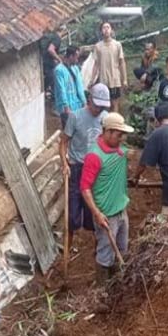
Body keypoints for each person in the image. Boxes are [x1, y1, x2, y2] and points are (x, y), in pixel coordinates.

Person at [80, 112, 134, 282]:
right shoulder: (94, 156)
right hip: (106, 215)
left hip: (121, 210)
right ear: (108, 132)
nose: (121, 139)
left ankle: (117, 284)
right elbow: (85, 188)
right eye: (119, 135)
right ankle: (102, 291)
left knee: (122, 248)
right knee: (105, 253)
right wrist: (97, 214)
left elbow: (128, 153)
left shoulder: (120, 150)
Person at [59, 83, 110, 248]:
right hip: (77, 168)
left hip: (95, 170)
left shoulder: (105, 118)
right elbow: (63, 142)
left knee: (94, 212)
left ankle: (99, 249)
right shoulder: (75, 117)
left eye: (102, 107)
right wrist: (64, 163)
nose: (99, 110)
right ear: (89, 100)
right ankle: (68, 244)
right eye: (96, 106)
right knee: (72, 214)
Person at [91, 22, 127, 113]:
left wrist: (124, 79)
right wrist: (92, 79)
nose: (106, 29)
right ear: (101, 31)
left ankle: (115, 125)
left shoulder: (117, 45)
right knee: (104, 104)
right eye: (104, 28)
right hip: (103, 80)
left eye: (108, 27)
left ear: (111, 30)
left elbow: (122, 62)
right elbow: (96, 64)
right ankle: (105, 124)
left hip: (115, 80)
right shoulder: (98, 46)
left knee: (115, 103)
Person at [53, 46, 86, 129]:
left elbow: (80, 87)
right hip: (66, 108)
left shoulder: (75, 69)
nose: (77, 60)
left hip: (77, 105)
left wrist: (84, 102)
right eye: (76, 58)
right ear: (71, 56)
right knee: (68, 131)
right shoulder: (59, 70)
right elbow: (61, 90)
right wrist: (66, 106)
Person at [40, 28, 62, 99]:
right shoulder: (57, 38)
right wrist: (59, 60)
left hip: (40, 62)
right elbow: (51, 50)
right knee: (53, 79)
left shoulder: (46, 36)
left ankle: (45, 93)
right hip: (48, 63)